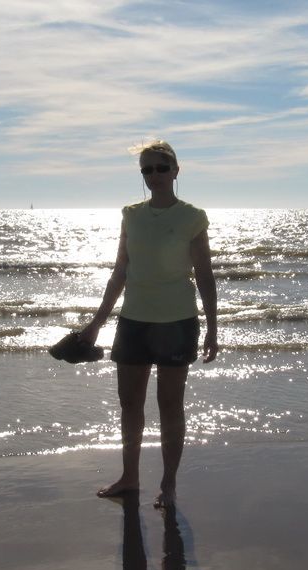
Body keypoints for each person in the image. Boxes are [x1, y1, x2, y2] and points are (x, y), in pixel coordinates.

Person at [79, 139, 218, 510]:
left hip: (177, 322)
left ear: (175, 170)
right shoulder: (131, 215)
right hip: (134, 321)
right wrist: (96, 323)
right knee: (130, 405)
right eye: (146, 169)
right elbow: (119, 272)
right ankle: (130, 477)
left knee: (170, 406)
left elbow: (205, 275)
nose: (153, 175)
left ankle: (168, 484)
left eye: (160, 168)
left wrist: (213, 328)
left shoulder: (192, 217)